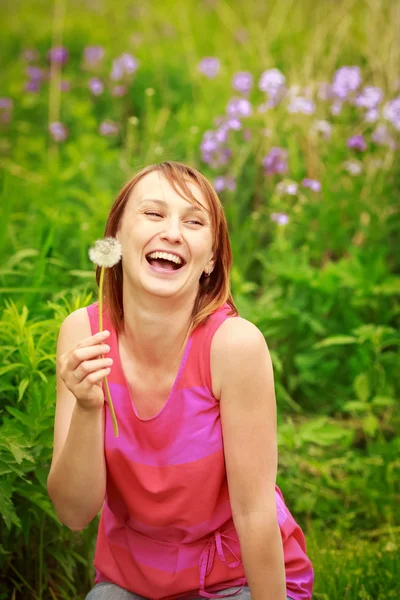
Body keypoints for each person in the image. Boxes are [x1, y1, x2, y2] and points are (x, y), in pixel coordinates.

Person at [47, 161, 314, 600]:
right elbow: (75, 513)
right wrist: (88, 407)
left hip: (237, 581)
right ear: (114, 238)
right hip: (133, 582)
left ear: (210, 258)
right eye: (153, 214)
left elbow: (254, 513)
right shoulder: (84, 336)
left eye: (193, 221)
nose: (172, 232)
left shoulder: (233, 346)